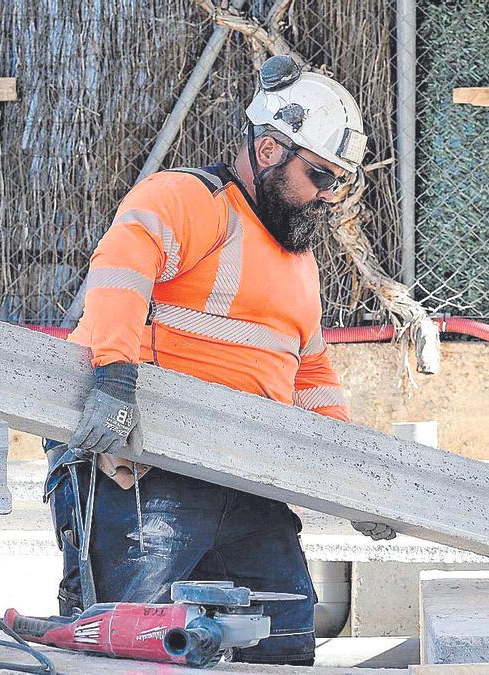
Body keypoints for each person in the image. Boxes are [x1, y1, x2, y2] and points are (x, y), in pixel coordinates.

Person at [42, 55, 391, 666]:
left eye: (338, 182)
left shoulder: (298, 262)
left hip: (249, 481)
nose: (327, 196)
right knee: (134, 643)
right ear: (268, 150)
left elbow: (310, 376)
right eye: (318, 176)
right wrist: (114, 380)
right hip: (149, 470)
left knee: (281, 638)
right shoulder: (189, 199)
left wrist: (349, 483)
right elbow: (122, 266)